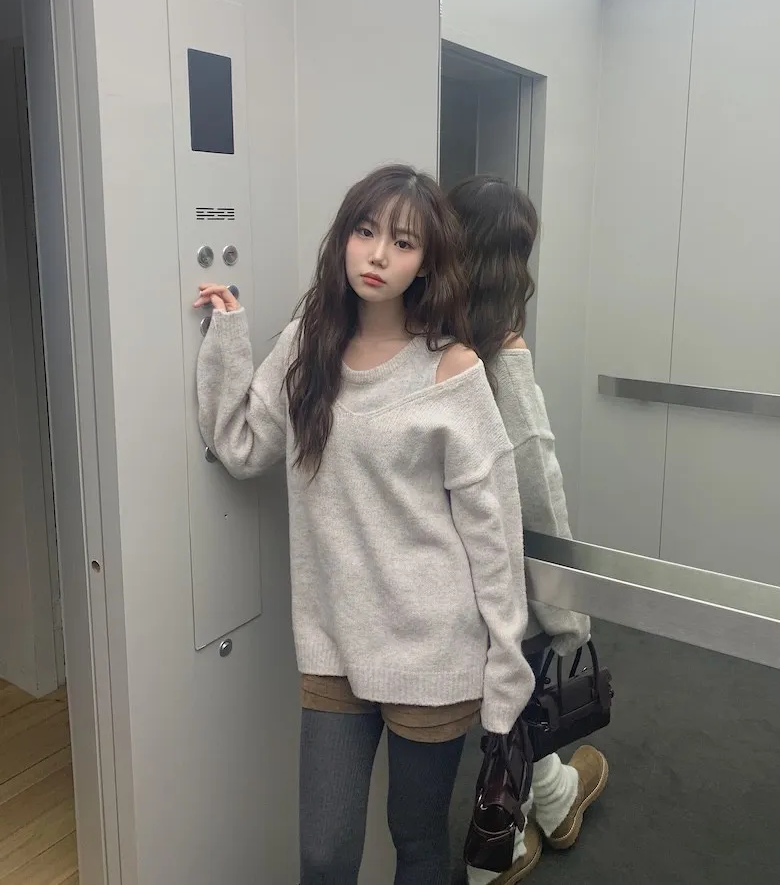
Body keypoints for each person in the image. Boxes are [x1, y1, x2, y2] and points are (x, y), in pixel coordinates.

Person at [194, 165, 534, 885]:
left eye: (403, 243)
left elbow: (495, 538)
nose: (378, 255)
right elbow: (242, 445)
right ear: (343, 238)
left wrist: (507, 672)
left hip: (433, 654)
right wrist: (227, 332)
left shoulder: (453, 370)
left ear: (427, 263)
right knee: (323, 855)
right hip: (334, 644)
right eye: (365, 231)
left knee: (417, 843)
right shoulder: (306, 344)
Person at [449, 177, 609, 884]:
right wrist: (571, 609)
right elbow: (536, 483)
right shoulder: (499, 351)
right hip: (497, 580)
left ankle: (555, 797)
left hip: (431, 573)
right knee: (511, 698)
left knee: (503, 708)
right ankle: (499, 853)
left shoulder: (415, 334)